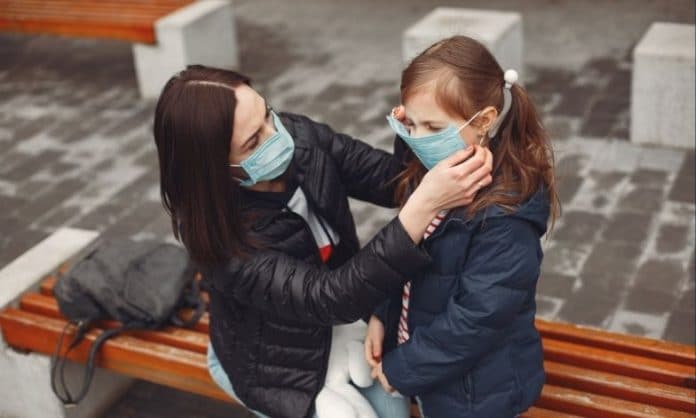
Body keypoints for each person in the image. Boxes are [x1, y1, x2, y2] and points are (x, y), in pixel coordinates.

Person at [153, 65, 493, 418]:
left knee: (394, 411)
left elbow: (390, 181)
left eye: (268, 114)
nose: (278, 135)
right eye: (254, 141)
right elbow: (326, 298)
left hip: (340, 316)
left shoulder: (300, 138)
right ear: (213, 167)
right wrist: (423, 207)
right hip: (274, 361)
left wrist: (420, 134)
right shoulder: (219, 239)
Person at [364, 35, 560, 418]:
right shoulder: (438, 171)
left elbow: (476, 319)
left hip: (476, 395)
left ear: (484, 120)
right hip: (435, 373)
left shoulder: (507, 213)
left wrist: (402, 370)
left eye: (432, 127)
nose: (417, 139)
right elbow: (406, 254)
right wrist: (380, 314)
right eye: (410, 124)